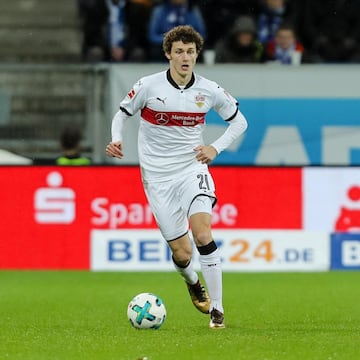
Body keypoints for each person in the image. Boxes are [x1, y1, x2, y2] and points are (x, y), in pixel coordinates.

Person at [106, 25, 248, 328]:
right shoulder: (149, 86)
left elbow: (239, 122)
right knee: (182, 253)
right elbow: (122, 114)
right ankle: (191, 280)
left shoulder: (208, 90)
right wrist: (116, 138)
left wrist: (215, 148)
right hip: (157, 178)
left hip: (192, 169)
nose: (186, 57)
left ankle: (217, 311)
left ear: (197, 55)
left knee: (202, 234)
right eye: (180, 51)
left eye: (191, 52)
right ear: (168, 54)